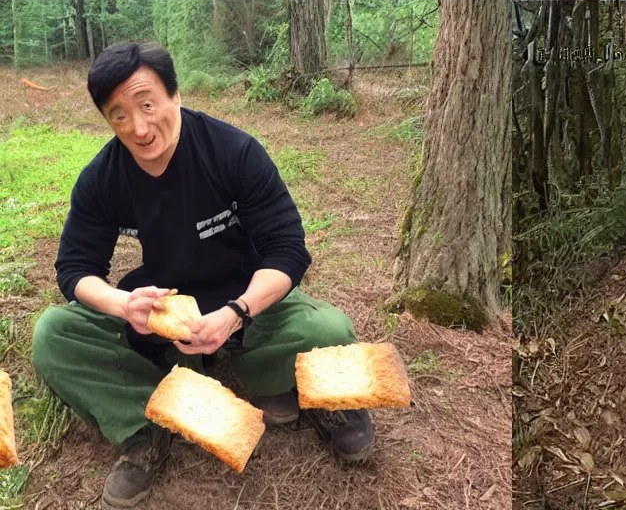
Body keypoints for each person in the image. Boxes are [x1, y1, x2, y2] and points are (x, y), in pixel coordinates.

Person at [31, 41, 373, 509]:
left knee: (329, 329)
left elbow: (288, 250)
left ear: (174, 95)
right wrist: (122, 304)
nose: (140, 127)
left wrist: (236, 312)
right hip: (161, 312)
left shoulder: (233, 151)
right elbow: (74, 269)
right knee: (54, 333)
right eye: (119, 115)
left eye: (147, 104)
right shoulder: (102, 178)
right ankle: (145, 426)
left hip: (245, 297)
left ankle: (313, 394)